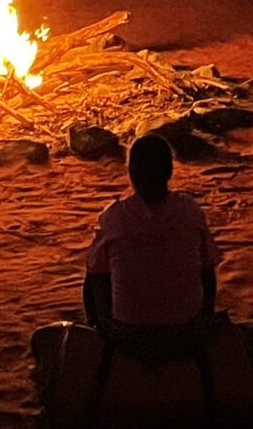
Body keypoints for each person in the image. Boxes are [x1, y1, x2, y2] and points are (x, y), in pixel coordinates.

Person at [81, 134, 220, 348]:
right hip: (188, 330)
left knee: (94, 271)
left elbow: (97, 272)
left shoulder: (113, 217)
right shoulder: (189, 210)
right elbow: (208, 264)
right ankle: (205, 317)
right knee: (204, 265)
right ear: (170, 171)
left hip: (126, 333)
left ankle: (100, 328)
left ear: (131, 173)